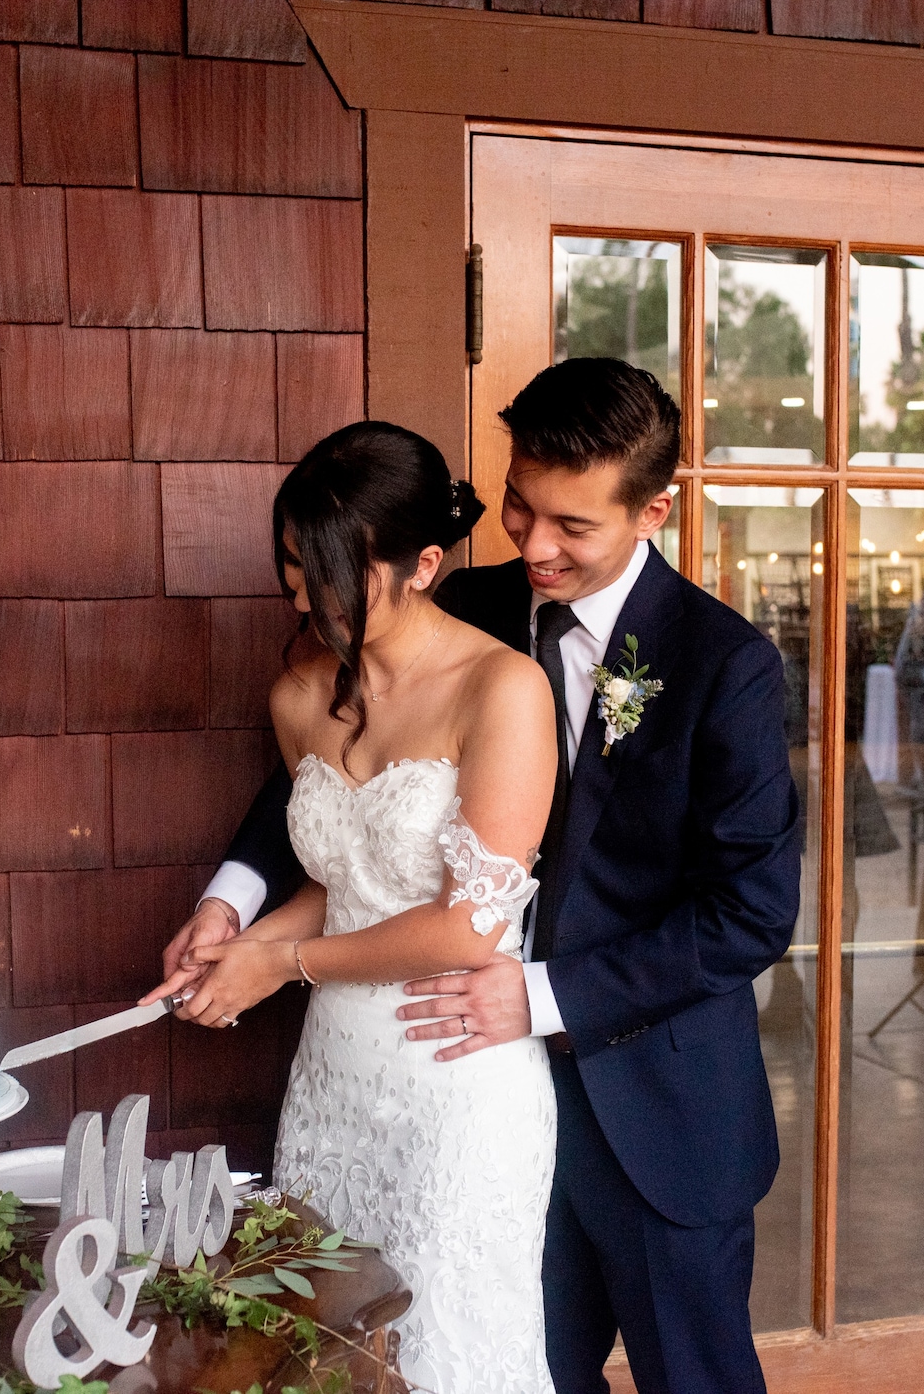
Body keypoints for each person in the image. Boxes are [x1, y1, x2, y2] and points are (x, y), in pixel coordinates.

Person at [156, 359, 803, 1394]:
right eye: (516, 507)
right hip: (461, 1094)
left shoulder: (724, 665)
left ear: (653, 512)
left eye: (572, 527)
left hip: (644, 1100)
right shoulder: (463, 603)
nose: (533, 546)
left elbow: (748, 913)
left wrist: (543, 993)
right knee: (508, 1361)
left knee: (694, 1376)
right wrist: (230, 897)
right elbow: (341, 785)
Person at [169, 420, 561, 1394]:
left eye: (333, 574)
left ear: (422, 564)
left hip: (455, 1081)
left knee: (442, 1351)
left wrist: (282, 966)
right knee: (322, 1350)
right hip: (332, 1076)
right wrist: (237, 941)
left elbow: (464, 925)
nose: (307, 598)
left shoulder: (501, 688)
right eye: (294, 569)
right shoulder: (300, 694)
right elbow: (336, 879)